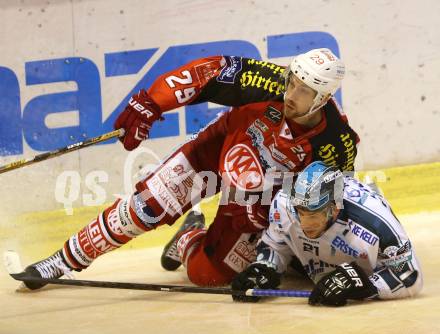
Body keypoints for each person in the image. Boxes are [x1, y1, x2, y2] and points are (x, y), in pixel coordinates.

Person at [16, 48, 360, 289]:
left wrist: (282, 229)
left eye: (305, 90)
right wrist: (153, 102)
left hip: (256, 202)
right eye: (292, 81)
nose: (290, 93)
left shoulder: (336, 142)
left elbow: (332, 200)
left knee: (208, 275)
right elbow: (209, 72)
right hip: (215, 152)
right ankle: (61, 262)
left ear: (324, 97)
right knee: (145, 208)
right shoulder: (267, 82)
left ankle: (187, 237)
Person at [231, 161, 423, 306]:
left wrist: (364, 284)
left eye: (314, 214)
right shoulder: (284, 204)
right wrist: (264, 268)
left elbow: (411, 278)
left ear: (335, 208)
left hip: (368, 267)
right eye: (301, 212)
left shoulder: (376, 222)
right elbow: (275, 245)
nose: (305, 224)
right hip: (312, 264)